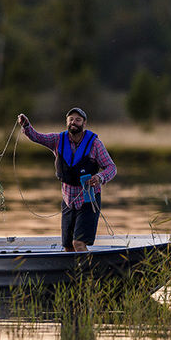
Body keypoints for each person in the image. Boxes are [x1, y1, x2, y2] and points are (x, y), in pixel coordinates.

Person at [18, 108, 116, 252]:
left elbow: (111, 167)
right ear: (66, 122)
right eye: (71, 119)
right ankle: (73, 274)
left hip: (89, 200)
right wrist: (26, 125)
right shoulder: (57, 140)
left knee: (78, 243)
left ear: (84, 123)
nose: (73, 122)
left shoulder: (95, 144)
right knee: (68, 246)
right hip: (68, 200)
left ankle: (88, 274)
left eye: (78, 120)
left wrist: (100, 177)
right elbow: (37, 136)